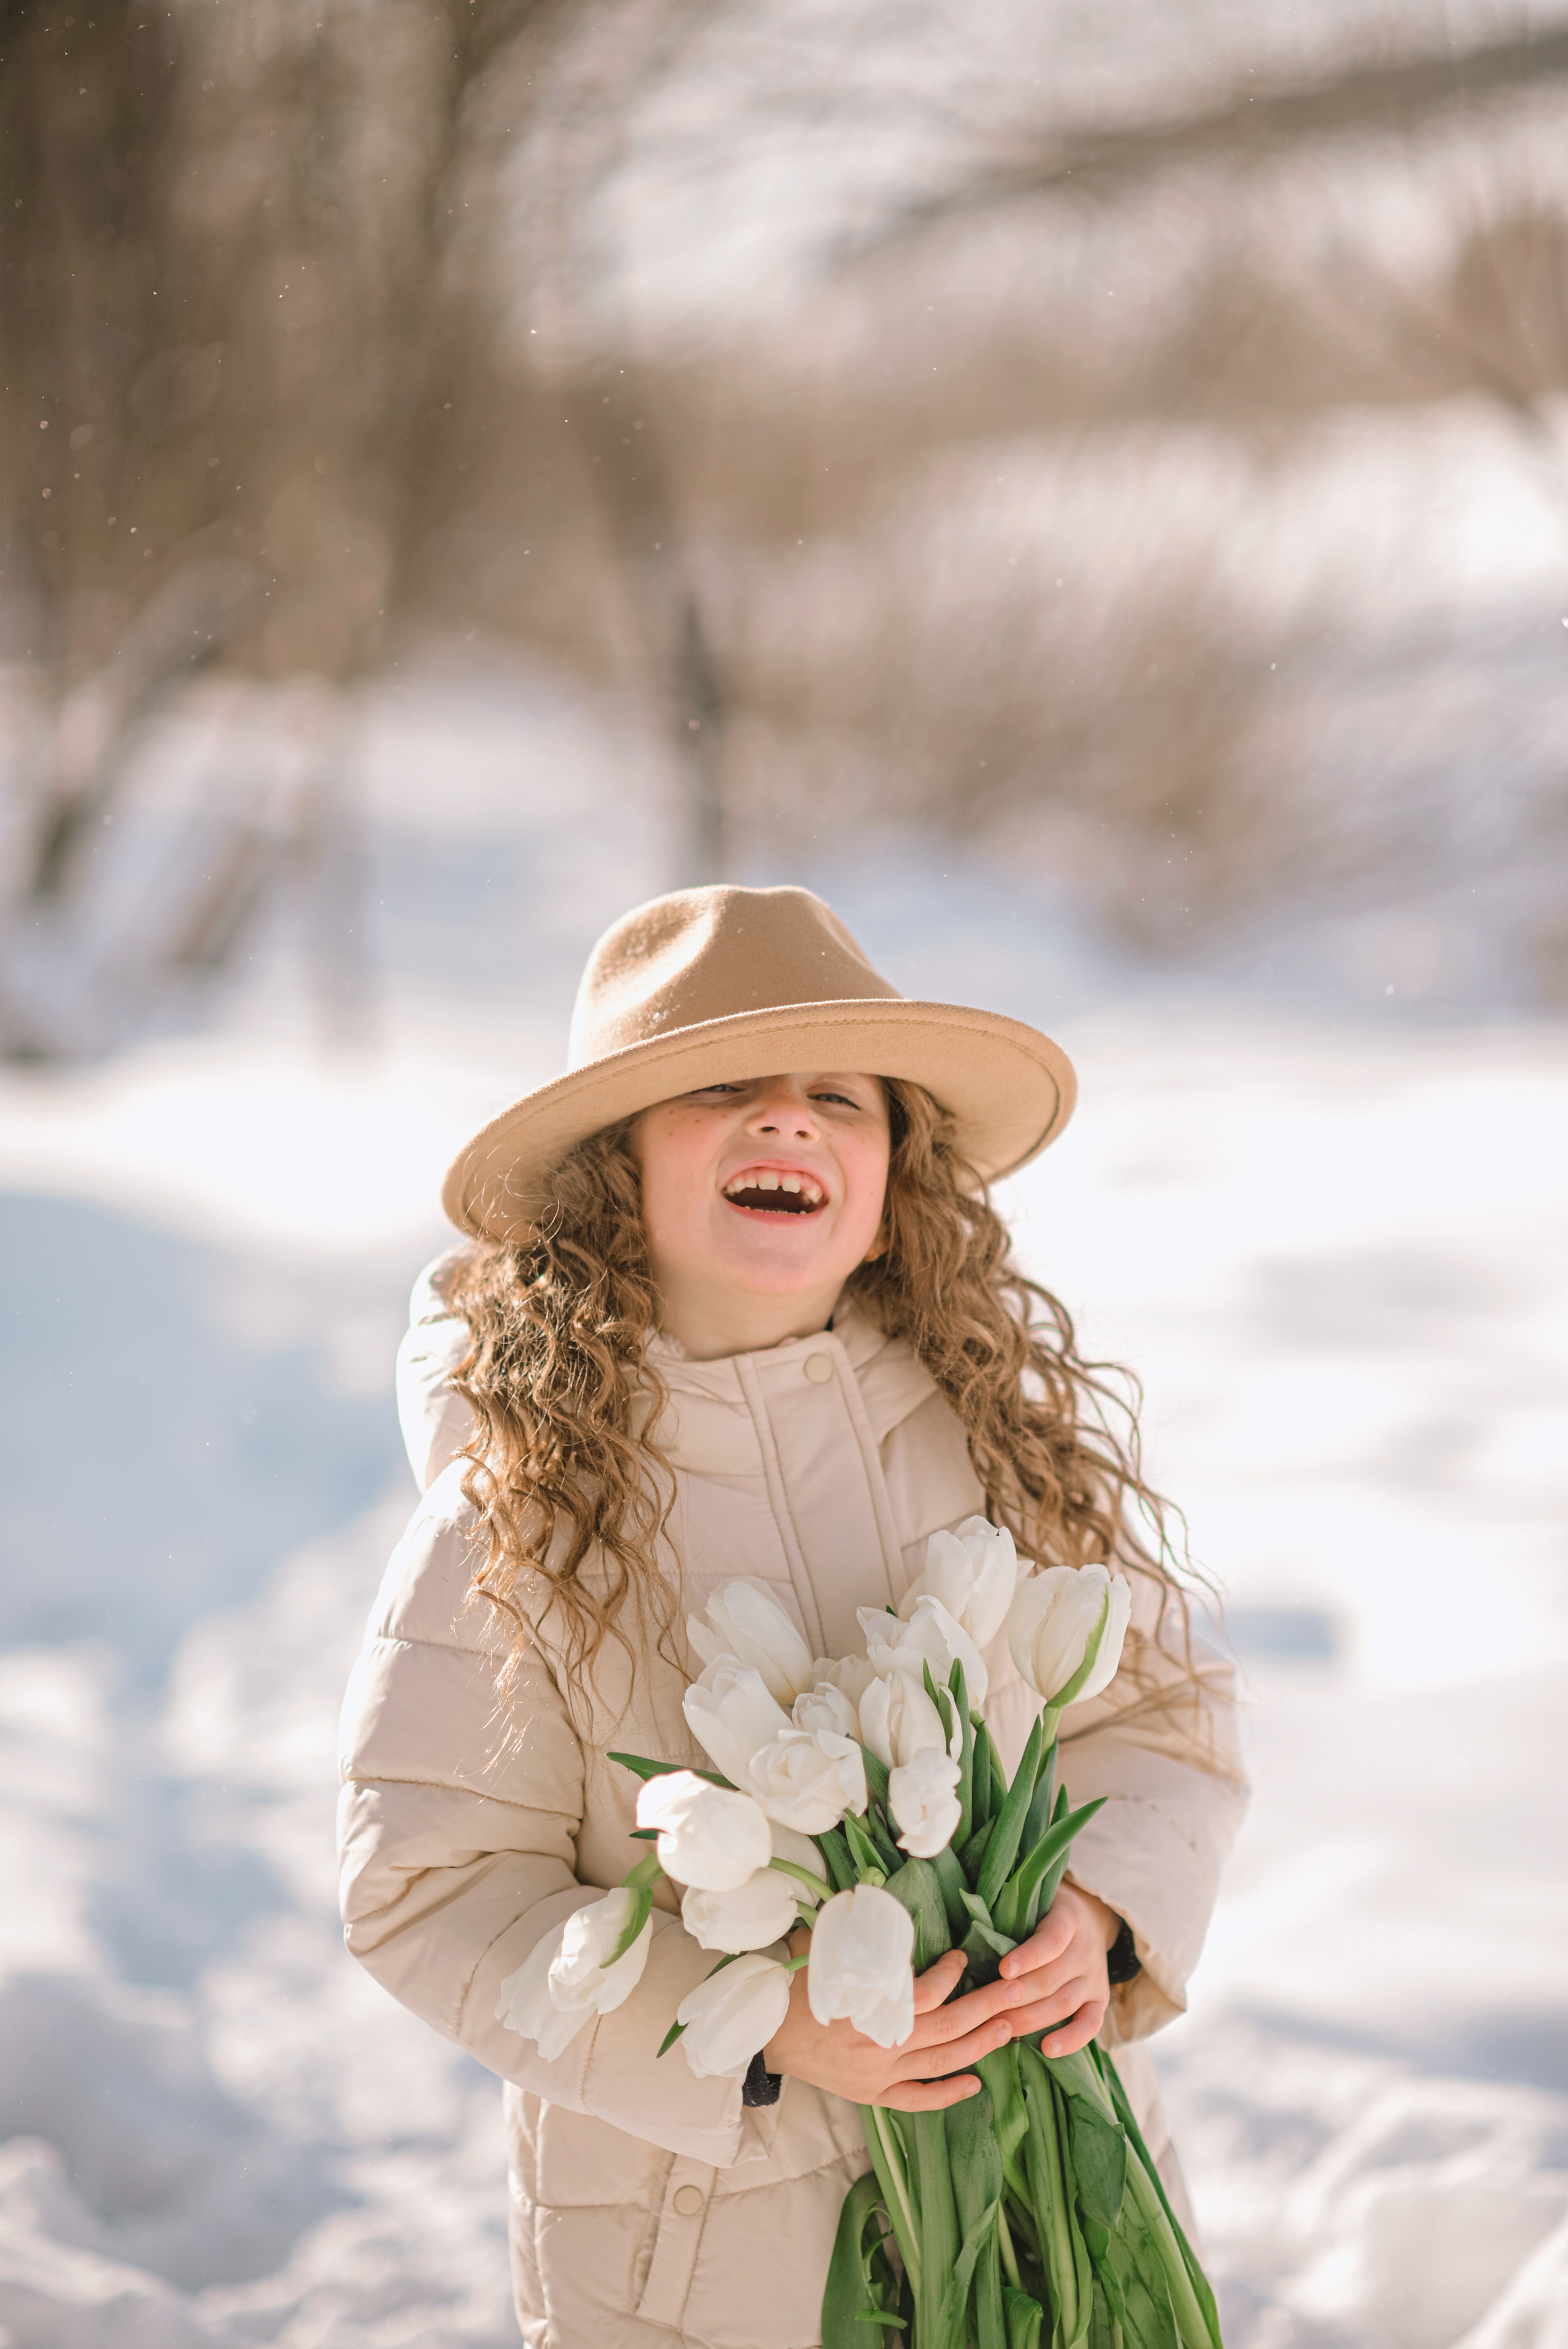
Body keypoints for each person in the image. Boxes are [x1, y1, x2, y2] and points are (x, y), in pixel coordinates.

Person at [337, 883, 1246, 2349]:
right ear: (609, 1172)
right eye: (717, 1088)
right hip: (706, 2261)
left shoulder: (987, 1441)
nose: (789, 1122)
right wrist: (760, 2024)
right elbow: (427, 1892)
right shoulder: (522, 1518)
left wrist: (1101, 1912)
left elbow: (1155, 1715)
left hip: (1039, 2206)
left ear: (897, 1172)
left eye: (841, 1097)